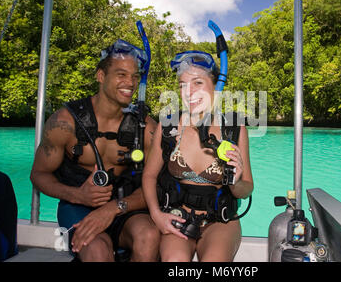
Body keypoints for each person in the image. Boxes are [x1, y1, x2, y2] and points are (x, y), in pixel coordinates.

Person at [30, 39, 160, 262]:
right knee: (97, 251)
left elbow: (157, 185)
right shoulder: (65, 122)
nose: (130, 82)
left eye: (134, 76)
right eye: (121, 74)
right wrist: (77, 195)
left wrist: (112, 209)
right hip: (77, 206)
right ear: (101, 76)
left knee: (149, 237)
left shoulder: (146, 128)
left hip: (124, 207)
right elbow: (38, 174)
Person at [142, 50, 254, 262]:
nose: (188, 92)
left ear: (216, 87)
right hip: (178, 217)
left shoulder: (234, 128)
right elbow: (148, 176)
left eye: (197, 83)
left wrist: (236, 180)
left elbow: (246, 190)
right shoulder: (168, 126)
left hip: (220, 222)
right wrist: (156, 215)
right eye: (183, 85)